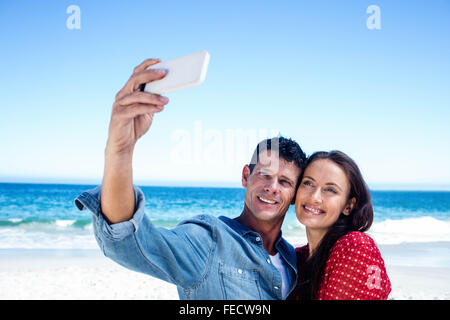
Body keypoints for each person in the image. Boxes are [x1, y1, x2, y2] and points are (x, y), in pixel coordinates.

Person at [74, 58, 307, 299]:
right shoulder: (209, 239)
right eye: (264, 175)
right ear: (246, 176)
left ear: (294, 196)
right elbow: (129, 243)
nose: (272, 187)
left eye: (285, 182)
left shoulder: (293, 259)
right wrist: (120, 150)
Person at [287, 151, 391, 300]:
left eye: (330, 190)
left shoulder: (355, 246)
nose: (314, 197)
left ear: (348, 205)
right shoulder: (297, 257)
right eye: (308, 183)